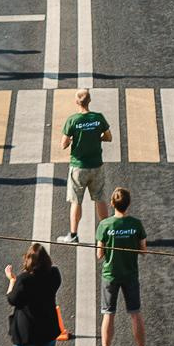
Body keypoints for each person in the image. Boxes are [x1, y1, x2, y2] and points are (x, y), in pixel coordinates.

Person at [93, 186, 152, 346]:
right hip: (130, 275)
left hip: (110, 275)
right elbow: (143, 251)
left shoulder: (105, 225)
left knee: (108, 314)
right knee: (135, 313)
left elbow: (99, 254)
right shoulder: (136, 224)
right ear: (129, 204)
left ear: (112, 203)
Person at [57, 88, 113, 246]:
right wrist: (97, 137)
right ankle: (107, 234)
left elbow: (63, 144)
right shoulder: (98, 118)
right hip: (96, 165)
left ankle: (73, 235)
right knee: (100, 199)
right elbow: (109, 137)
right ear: (90, 101)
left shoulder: (72, 120)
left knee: (76, 201)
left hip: (78, 166)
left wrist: (72, 140)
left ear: (77, 102)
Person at [5, 242, 64, 346]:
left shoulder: (24, 279)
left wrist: (12, 280)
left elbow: (12, 299)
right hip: (48, 329)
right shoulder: (54, 274)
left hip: (26, 333)